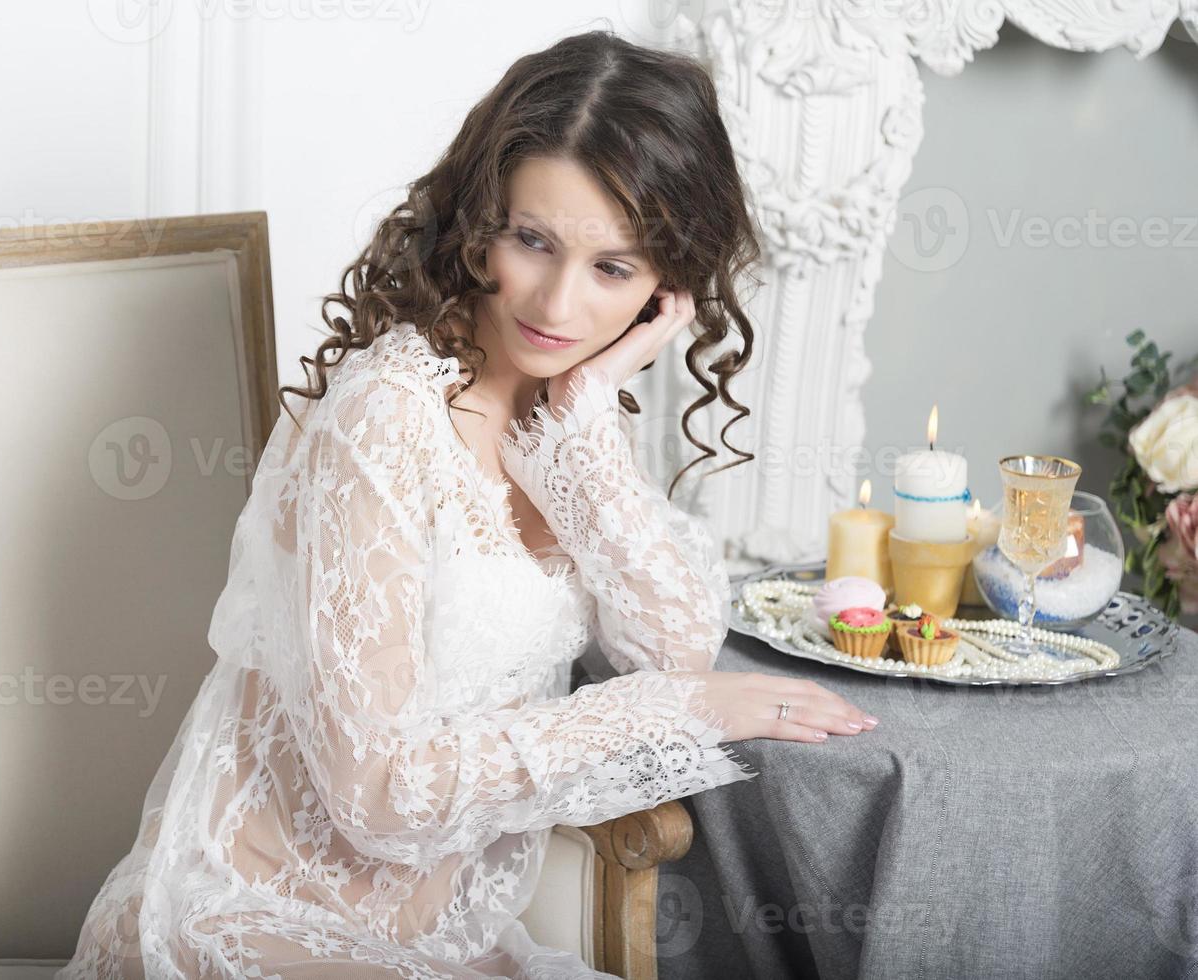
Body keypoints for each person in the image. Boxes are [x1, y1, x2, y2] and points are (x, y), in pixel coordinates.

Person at [58, 28, 876, 980]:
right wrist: (677, 712)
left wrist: (583, 430)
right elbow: (378, 790)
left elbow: (671, 645)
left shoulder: (566, 410)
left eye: (614, 269)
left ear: (668, 291)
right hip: (247, 920)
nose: (558, 306)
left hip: (437, 943)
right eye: (533, 241)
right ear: (479, 222)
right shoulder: (385, 416)